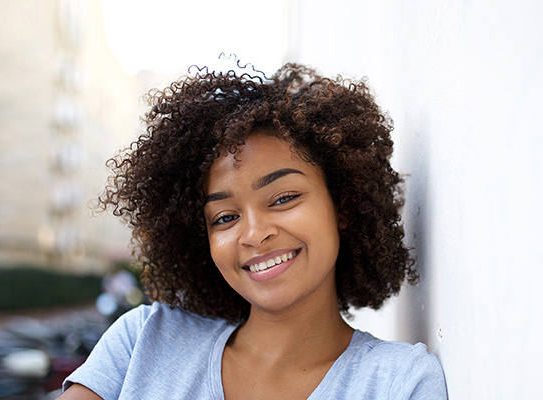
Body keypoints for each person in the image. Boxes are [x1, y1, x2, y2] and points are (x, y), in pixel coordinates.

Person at [59, 62, 447, 399]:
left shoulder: (400, 383)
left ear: (342, 204)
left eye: (283, 198)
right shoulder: (145, 340)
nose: (254, 233)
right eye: (225, 218)